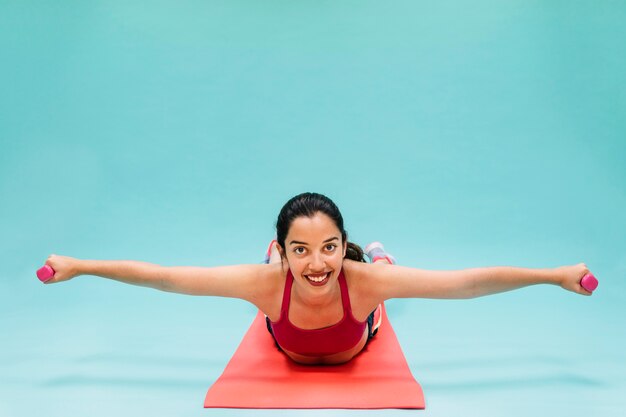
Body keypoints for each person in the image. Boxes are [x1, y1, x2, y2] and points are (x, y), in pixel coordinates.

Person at [41, 192, 595, 365]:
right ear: (285, 251)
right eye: (300, 250)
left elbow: (464, 283)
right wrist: (82, 266)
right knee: (283, 277)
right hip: (283, 317)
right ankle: (288, 248)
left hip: (360, 326)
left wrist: (553, 276)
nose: (317, 262)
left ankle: (376, 254)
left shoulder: (358, 283)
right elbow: (167, 277)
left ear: (340, 243)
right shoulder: (266, 283)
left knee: (381, 274)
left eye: (329, 246)